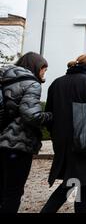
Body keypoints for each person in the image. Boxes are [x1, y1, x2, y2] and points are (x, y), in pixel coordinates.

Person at [40, 54, 86, 213]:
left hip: (63, 142)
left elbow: (49, 115)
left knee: (82, 182)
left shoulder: (56, 83)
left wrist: (56, 135)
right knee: (74, 182)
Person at [0, 52, 52, 213]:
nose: (44, 73)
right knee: (13, 191)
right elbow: (31, 115)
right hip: (18, 144)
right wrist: (49, 116)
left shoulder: (3, 78)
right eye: (44, 69)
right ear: (36, 67)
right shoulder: (31, 83)